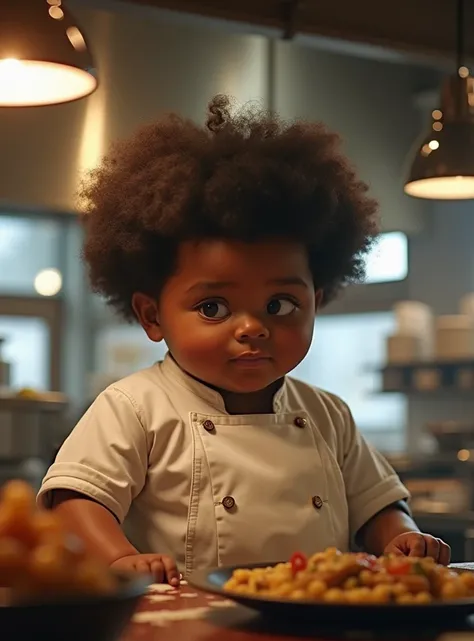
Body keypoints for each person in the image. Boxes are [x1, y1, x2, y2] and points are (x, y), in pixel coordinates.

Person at [37, 95, 450, 586]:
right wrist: (119, 558)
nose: (252, 327)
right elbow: (77, 500)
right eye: (213, 308)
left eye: (279, 305)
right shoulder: (135, 406)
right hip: (186, 634)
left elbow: (377, 504)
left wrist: (400, 537)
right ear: (152, 316)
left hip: (316, 625)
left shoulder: (328, 415)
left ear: (316, 300)